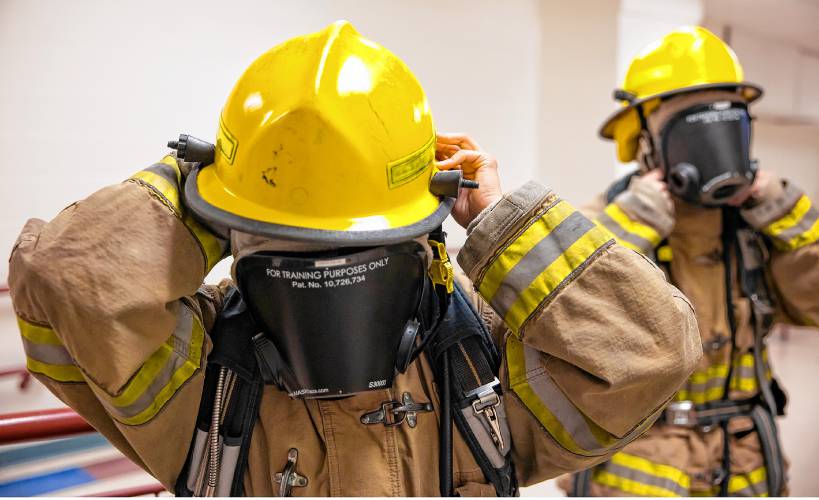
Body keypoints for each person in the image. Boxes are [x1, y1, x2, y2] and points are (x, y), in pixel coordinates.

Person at [8, 21, 700, 496]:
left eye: (355, 247)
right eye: (292, 242)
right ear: (234, 234)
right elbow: (61, 278)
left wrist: (503, 223)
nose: (325, 275)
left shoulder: (474, 361)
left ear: (423, 238)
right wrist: (195, 188)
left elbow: (652, 353)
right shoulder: (208, 377)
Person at [564, 26, 819, 497]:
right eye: (694, 124)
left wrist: (786, 215)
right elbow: (563, 328)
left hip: (746, 469)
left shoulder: (759, 225)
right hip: (638, 475)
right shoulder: (601, 223)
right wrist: (632, 226)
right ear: (644, 140)